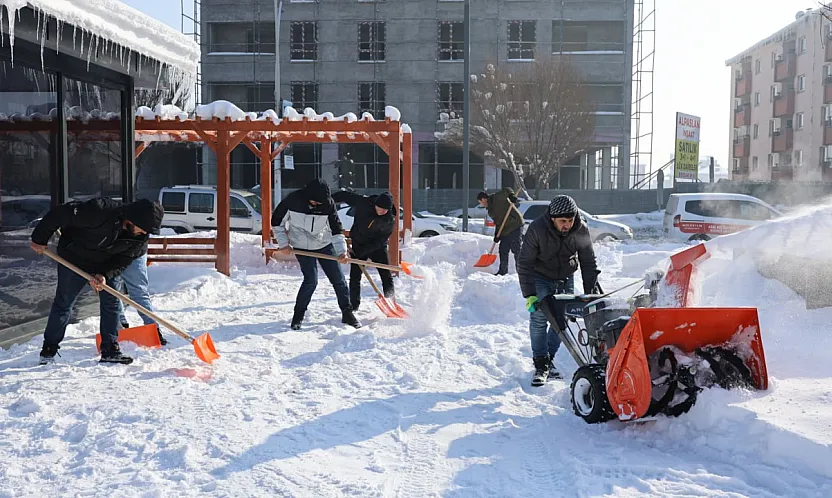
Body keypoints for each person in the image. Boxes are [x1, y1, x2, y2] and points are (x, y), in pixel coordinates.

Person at [30, 198, 164, 365]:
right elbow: (60, 214)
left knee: (112, 303)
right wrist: (39, 238)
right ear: (133, 219)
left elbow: (123, 260)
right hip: (74, 259)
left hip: (105, 264)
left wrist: (105, 275)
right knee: (64, 303)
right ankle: (49, 350)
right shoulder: (100, 210)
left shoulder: (140, 238)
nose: (144, 233)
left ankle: (109, 348)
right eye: (143, 228)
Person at [517, 195, 599, 386]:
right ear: (552, 218)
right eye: (563, 221)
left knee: (561, 321)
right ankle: (540, 364)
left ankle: (548, 361)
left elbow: (588, 262)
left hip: (565, 277)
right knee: (539, 318)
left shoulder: (580, 229)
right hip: (540, 277)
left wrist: (591, 294)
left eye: (571, 220)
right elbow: (525, 263)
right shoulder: (537, 229)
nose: (568, 225)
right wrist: (529, 294)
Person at [272, 178, 361, 330]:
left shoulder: (328, 204)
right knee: (311, 280)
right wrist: (284, 244)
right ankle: (298, 316)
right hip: (301, 247)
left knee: (338, 279)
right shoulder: (293, 201)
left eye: (321, 202)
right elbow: (276, 222)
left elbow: (336, 229)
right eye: (315, 202)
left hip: (324, 244)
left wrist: (341, 252)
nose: (318, 204)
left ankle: (347, 313)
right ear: (308, 196)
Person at [331, 189, 396, 311]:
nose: (382, 211)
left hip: (377, 247)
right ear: (375, 204)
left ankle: (391, 303)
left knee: (386, 275)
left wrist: (363, 251)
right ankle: (354, 305)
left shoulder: (389, 219)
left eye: (385, 210)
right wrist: (328, 200)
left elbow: (381, 240)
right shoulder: (363, 202)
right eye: (380, 208)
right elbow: (344, 195)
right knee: (355, 277)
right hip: (359, 244)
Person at [116, 252, 168, 346]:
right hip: (109, 253)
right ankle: (120, 326)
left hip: (133, 251)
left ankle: (152, 329)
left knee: (138, 292)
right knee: (111, 292)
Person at [477, 188, 524, 276]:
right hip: (505, 228)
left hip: (515, 224)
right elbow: (498, 223)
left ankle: (521, 272)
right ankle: (502, 271)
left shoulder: (496, 198)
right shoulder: (490, 210)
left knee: (516, 248)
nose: (481, 204)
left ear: (483, 199)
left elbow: (507, 189)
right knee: (503, 249)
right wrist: (497, 236)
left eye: (480, 202)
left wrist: (511, 196)